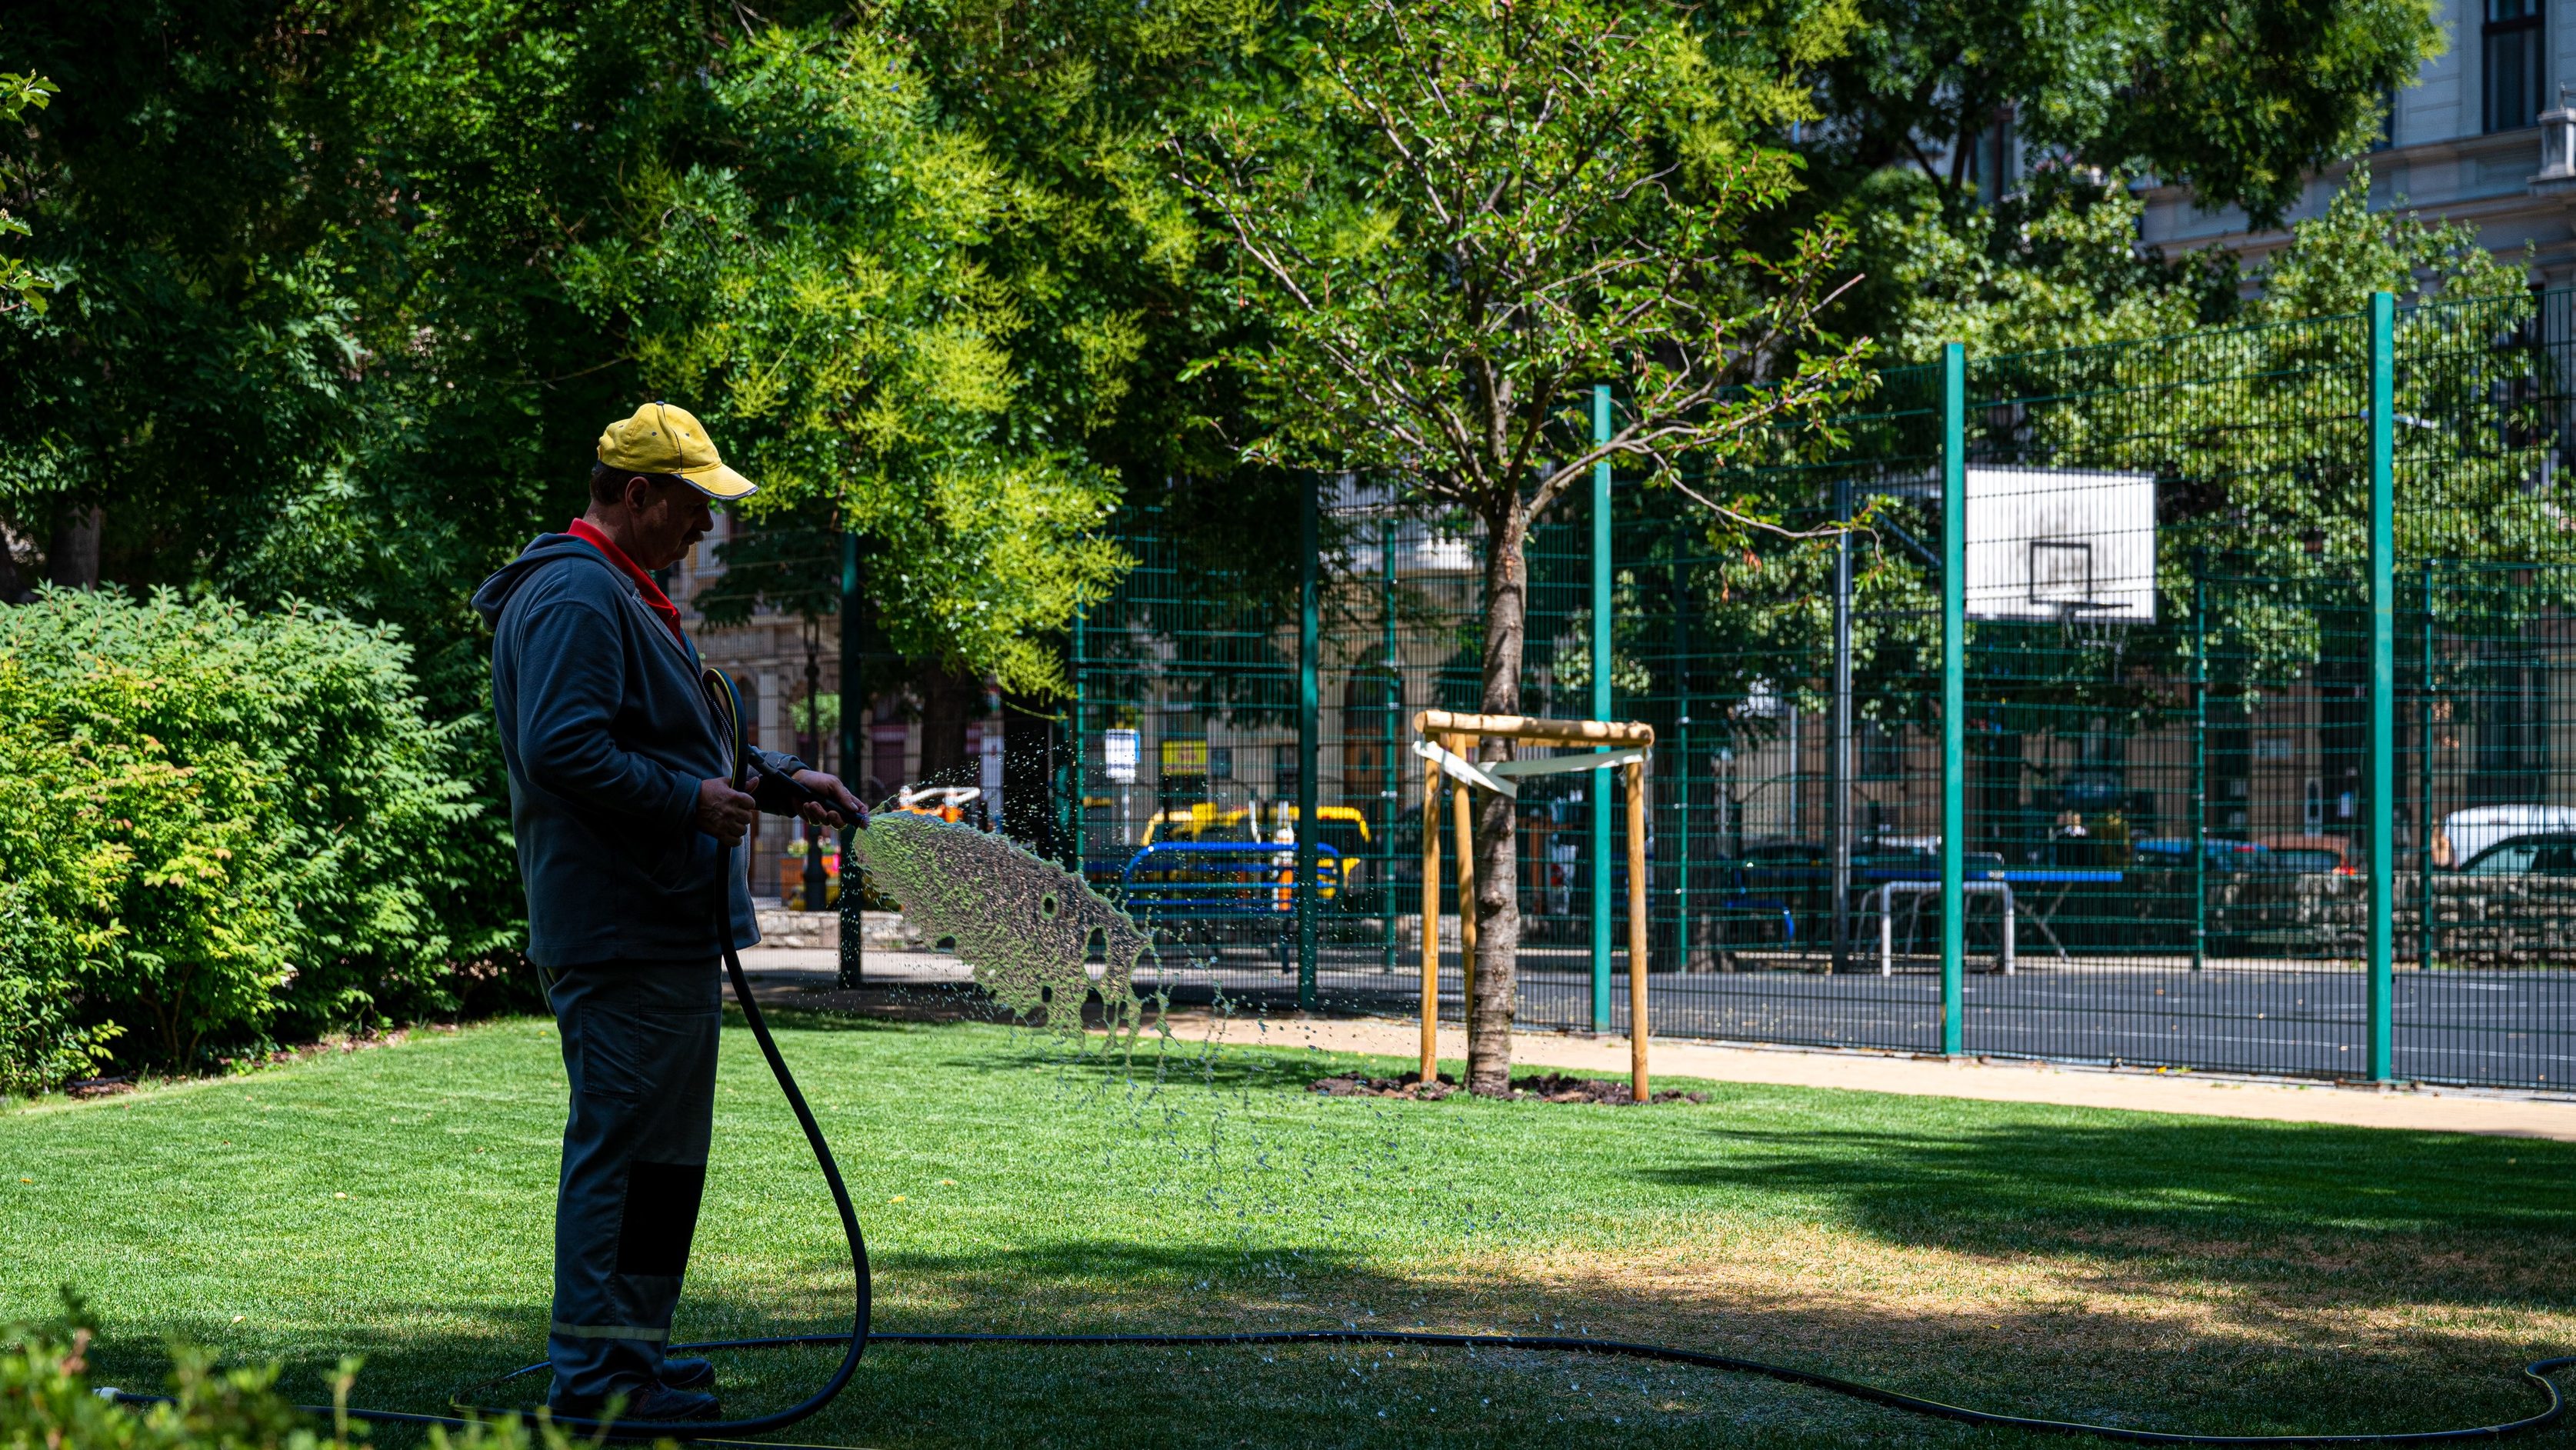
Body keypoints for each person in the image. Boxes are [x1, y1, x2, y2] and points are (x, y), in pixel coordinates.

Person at [471, 402, 865, 1422]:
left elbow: (669, 739)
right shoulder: (572, 595)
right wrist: (688, 802)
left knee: (662, 1163)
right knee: (621, 1149)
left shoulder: (629, 597)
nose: (704, 526)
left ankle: (634, 1357)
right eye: (693, 506)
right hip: (620, 926)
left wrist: (780, 781)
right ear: (637, 495)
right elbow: (562, 749)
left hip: (665, 925)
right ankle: (593, 1380)